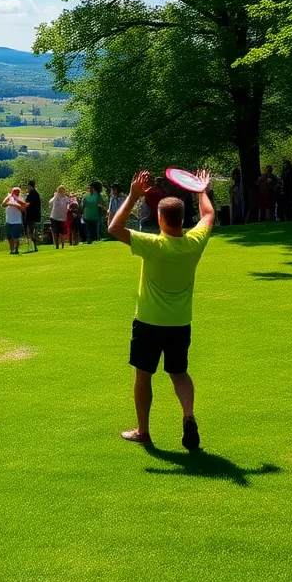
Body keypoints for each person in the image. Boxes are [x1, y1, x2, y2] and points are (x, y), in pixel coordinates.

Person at [108, 170, 215, 449]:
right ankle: (188, 415)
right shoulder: (193, 244)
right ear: (182, 220)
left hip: (149, 322)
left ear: (159, 218)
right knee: (179, 373)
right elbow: (208, 216)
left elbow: (113, 228)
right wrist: (200, 189)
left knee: (143, 376)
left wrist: (133, 195)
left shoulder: (153, 244)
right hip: (180, 323)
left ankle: (143, 431)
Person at [2, 186, 28, 255]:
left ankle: (16, 249)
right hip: (8, 221)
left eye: (17, 192)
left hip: (17, 221)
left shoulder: (21, 199)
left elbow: (23, 209)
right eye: (14, 192)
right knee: (9, 237)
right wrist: (11, 203)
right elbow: (3, 204)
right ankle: (12, 250)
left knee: (15, 237)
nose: (16, 193)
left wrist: (16, 205)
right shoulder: (8, 197)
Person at [23, 180, 42, 249]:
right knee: (31, 231)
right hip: (32, 215)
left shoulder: (32, 194)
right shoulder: (35, 194)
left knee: (30, 231)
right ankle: (33, 246)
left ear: (31, 186)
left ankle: (34, 246)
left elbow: (28, 204)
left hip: (31, 215)